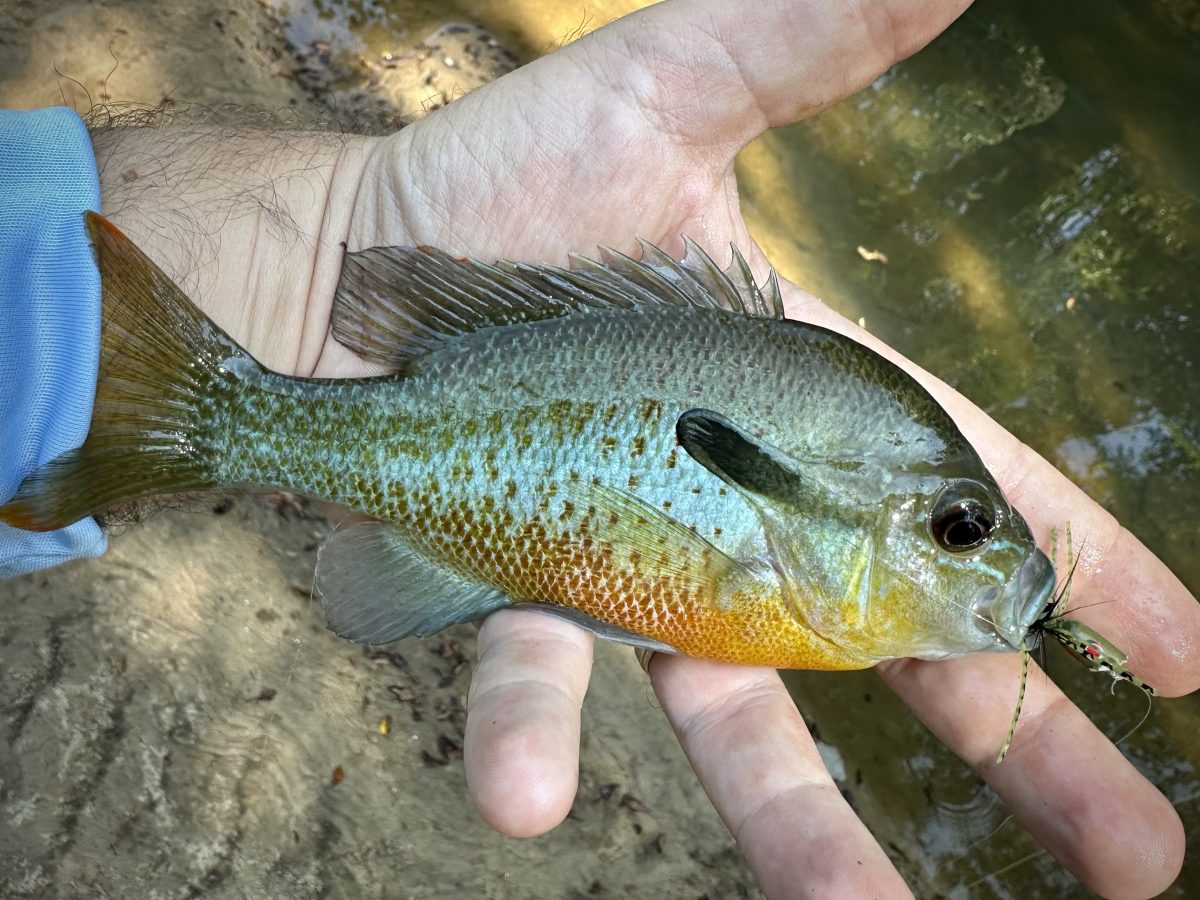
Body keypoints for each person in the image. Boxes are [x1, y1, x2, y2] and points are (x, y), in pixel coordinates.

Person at [2, 0, 1197, 895]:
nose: (991, 561)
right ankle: (202, 405)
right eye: (957, 525)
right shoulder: (806, 570)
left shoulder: (828, 590)